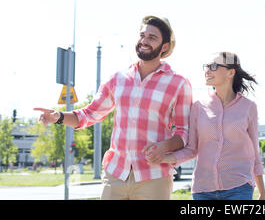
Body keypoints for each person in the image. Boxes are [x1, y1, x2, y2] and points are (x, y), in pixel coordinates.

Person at [34, 15, 192, 200]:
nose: (144, 40)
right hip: (116, 174)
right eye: (142, 35)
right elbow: (90, 114)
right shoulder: (118, 78)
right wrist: (59, 116)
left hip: (154, 177)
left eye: (152, 37)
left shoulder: (178, 84)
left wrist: (164, 146)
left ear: (164, 47)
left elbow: (183, 133)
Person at [144, 51, 265, 200]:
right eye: (207, 66)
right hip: (203, 190)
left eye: (214, 66)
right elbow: (191, 149)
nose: (207, 71)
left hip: (238, 188)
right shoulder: (198, 107)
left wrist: (263, 193)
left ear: (231, 72)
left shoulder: (248, 107)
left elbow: (254, 152)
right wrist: (162, 158)